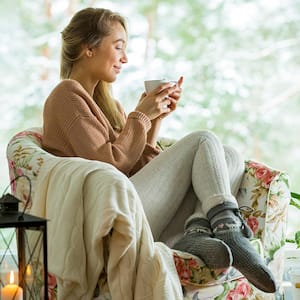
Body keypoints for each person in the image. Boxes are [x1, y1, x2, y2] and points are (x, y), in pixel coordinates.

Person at [42, 7, 276, 293]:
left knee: (230, 157)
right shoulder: (66, 96)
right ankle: (229, 231)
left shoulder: (109, 106)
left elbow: (135, 169)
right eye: (118, 47)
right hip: (106, 223)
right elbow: (109, 169)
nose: (124, 59)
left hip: (131, 206)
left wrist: (153, 120)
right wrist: (140, 116)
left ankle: (197, 232)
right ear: (88, 48)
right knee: (203, 139)